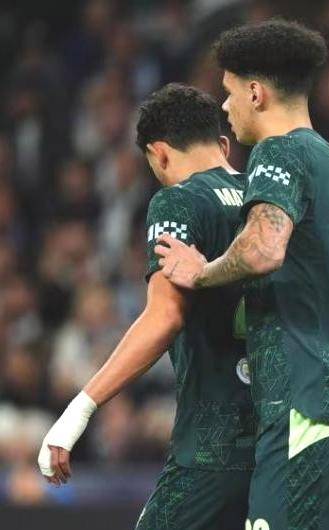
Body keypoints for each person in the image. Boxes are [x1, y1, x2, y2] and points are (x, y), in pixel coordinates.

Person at [155, 20, 329, 530]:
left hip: (314, 412)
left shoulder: (280, 150)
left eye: (229, 93)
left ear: (256, 93)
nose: (225, 108)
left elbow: (263, 249)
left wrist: (201, 272)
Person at [38, 83, 255, 530]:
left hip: (213, 445)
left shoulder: (178, 199)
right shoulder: (269, 200)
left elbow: (165, 315)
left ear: (159, 155)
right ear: (222, 144)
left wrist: (80, 409)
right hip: (280, 442)